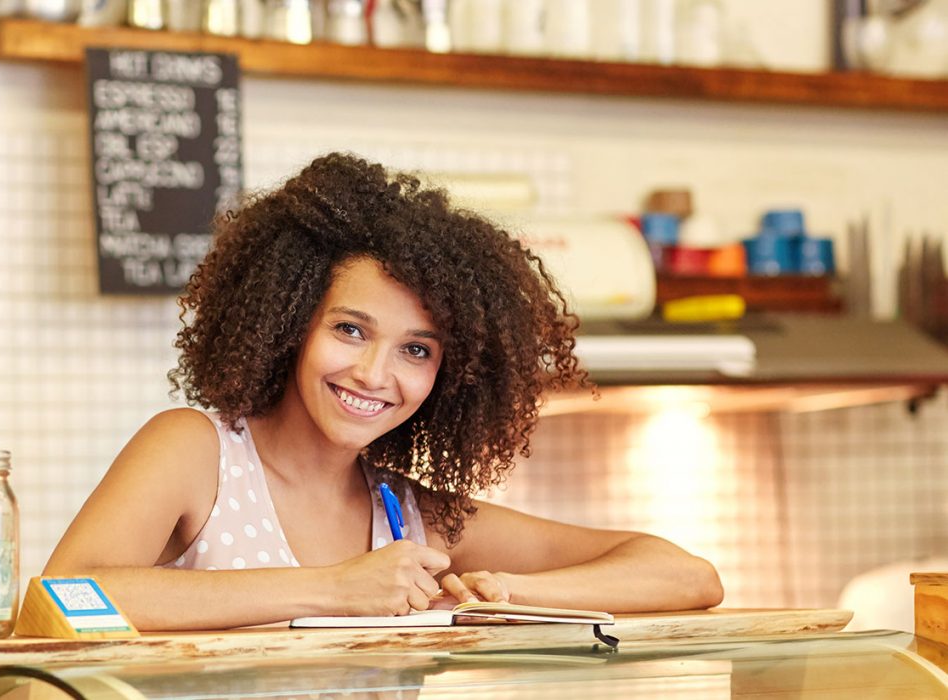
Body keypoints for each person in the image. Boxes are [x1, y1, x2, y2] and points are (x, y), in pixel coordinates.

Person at [44, 153, 724, 631]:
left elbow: (685, 576)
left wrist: (505, 593)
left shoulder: (408, 514)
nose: (375, 373)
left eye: (417, 350)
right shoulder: (195, 453)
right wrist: (333, 588)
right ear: (289, 321)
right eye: (349, 329)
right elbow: (62, 598)